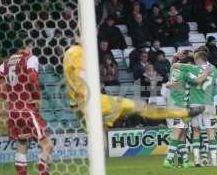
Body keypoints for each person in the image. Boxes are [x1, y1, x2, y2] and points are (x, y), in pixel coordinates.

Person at [63, 43, 205, 129]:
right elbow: (81, 76)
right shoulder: (77, 53)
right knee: (143, 108)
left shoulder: (70, 55)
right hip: (92, 102)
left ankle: (185, 113)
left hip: (81, 106)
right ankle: (185, 113)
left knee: (99, 135)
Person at [0, 40, 60, 175]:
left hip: (13, 110)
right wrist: (37, 96)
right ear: (27, 46)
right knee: (47, 146)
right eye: (31, 46)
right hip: (27, 108)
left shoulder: (6, 63)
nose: (31, 49)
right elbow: (32, 76)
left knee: (21, 146)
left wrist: (5, 95)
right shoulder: (30, 59)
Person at [173, 50, 217, 167]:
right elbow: (216, 89)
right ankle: (213, 161)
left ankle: (197, 160)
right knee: (211, 132)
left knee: (196, 131)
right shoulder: (214, 69)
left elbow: (175, 65)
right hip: (209, 103)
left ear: (197, 59)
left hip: (194, 104)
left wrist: (177, 57)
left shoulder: (192, 68)